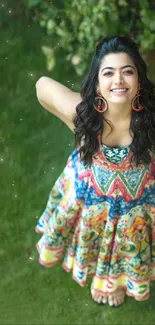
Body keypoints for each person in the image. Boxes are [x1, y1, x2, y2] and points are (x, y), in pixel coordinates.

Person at [35, 36, 155, 307]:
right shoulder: (84, 117)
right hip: (92, 200)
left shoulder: (151, 119)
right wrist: (77, 124)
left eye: (127, 71)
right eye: (108, 73)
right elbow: (42, 86)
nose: (119, 80)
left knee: (131, 242)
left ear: (138, 79)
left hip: (138, 204)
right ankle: (107, 283)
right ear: (98, 83)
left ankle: (123, 280)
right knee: (97, 243)